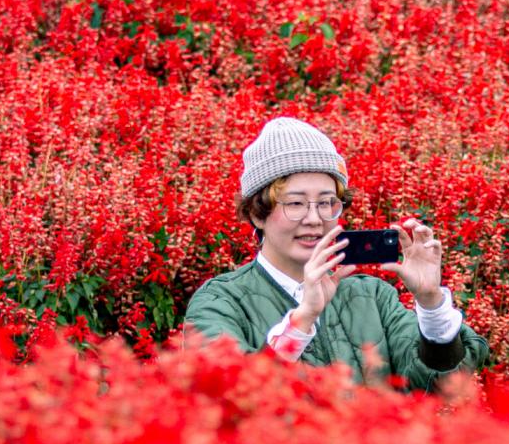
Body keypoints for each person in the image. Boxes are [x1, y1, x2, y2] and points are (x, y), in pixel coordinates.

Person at [183, 117, 490, 392]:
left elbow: (442, 385)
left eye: (327, 202)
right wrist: (303, 319)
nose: (315, 219)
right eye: (295, 203)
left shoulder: (372, 296)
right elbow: (226, 397)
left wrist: (431, 303)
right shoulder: (221, 301)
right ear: (257, 214)